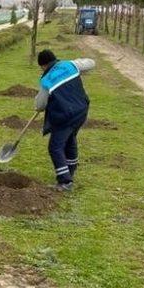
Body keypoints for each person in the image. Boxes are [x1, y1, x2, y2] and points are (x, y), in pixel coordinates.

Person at [34, 49, 95, 191]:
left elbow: (40, 105)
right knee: (70, 138)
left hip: (65, 116)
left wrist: (38, 105)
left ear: (43, 65)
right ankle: (71, 169)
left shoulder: (46, 80)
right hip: (81, 110)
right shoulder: (69, 65)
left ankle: (65, 181)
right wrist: (76, 66)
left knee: (55, 147)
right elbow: (91, 63)